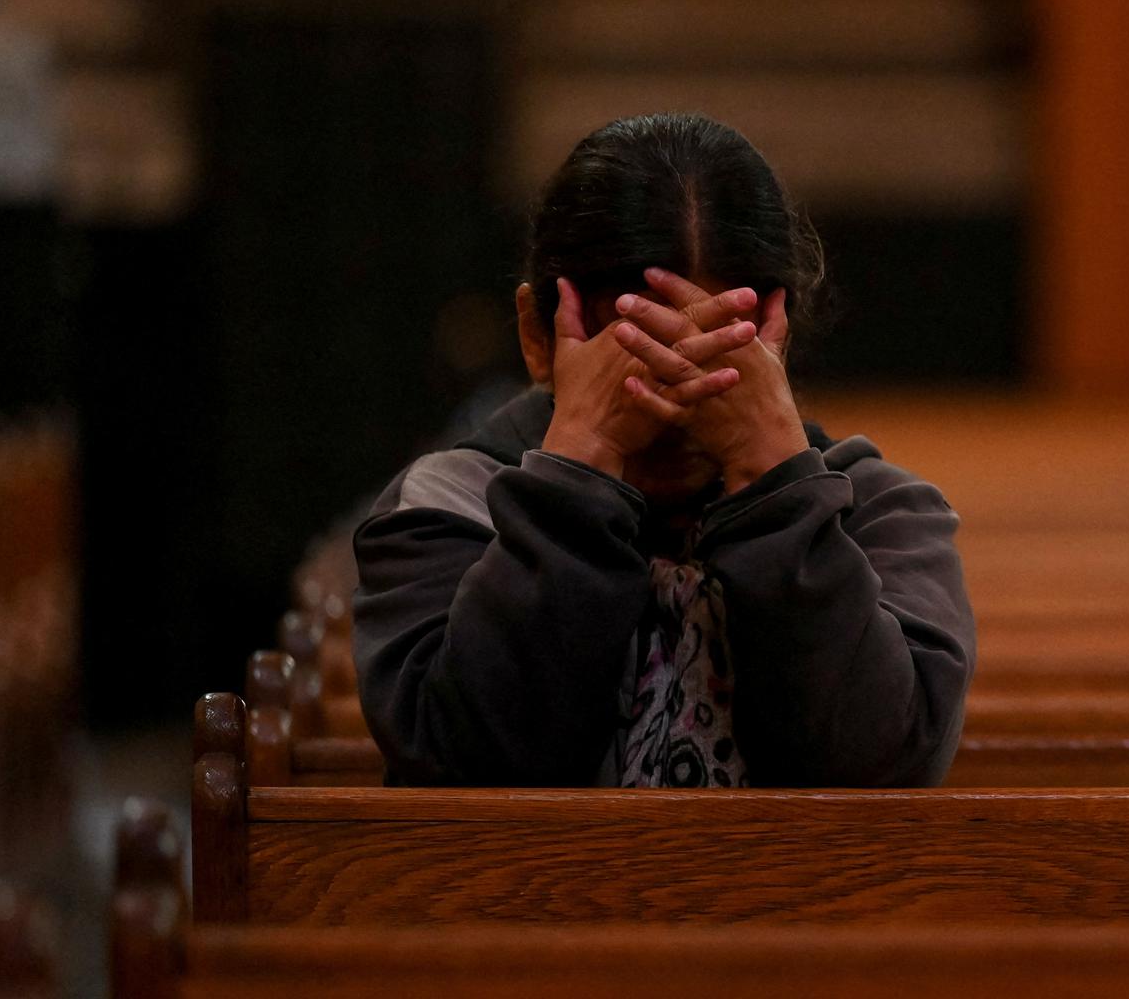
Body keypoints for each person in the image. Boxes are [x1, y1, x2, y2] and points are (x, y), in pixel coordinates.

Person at [352, 112, 975, 788]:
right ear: (539, 338)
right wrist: (581, 462)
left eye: (715, 352)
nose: (677, 409)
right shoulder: (449, 503)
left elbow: (881, 771)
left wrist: (771, 477)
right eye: (642, 354)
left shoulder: (878, 511)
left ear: (777, 339)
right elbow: (468, 773)